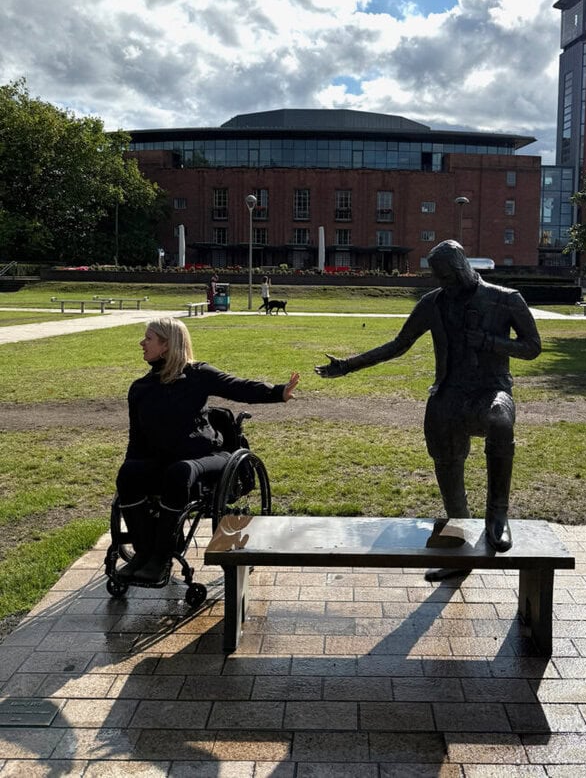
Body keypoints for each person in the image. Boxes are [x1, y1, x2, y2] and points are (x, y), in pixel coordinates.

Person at [315, 239, 541, 555]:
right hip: (449, 396)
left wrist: (491, 342)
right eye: (439, 278)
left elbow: (532, 347)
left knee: (500, 420)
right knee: (443, 448)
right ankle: (459, 529)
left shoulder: (505, 300)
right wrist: (348, 366)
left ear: (464, 265)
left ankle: (497, 515)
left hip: (491, 391)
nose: (444, 284)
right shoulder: (433, 304)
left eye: (448, 276)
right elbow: (398, 345)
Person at [117, 316, 300, 583]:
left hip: (208, 457)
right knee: (128, 473)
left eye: (148, 338)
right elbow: (137, 439)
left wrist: (278, 392)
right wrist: (132, 469)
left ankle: (162, 558)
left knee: (180, 471)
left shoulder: (197, 375)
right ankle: (143, 554)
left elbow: (238, 387)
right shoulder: (140, 389)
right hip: (165, 462)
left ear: (167, 345)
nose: (141, 343)